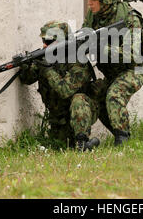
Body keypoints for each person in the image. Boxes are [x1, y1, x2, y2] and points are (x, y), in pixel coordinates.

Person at [83, 0, 143, 146]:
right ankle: (118, 131)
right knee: (95, 95)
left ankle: (123, 140)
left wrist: (101, 48)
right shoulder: (93, 15)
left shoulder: (129, 18)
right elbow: (85, 36)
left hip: (135, 68)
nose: (89, 3)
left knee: (114, 94)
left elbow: (133, 54)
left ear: (105, 0)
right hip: (112, 71)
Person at [19, 20, 103, 151]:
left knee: (78, 99)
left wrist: (46, 69)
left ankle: (83, 142)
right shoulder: (47, 58)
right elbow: (27, 79)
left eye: (48, 42)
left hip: (82, 112)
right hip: (59, 120)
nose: (44, 46)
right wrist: (24, 66)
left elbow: (65, 90)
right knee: (61, 146)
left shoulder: (77, 60)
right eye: (43, 41)